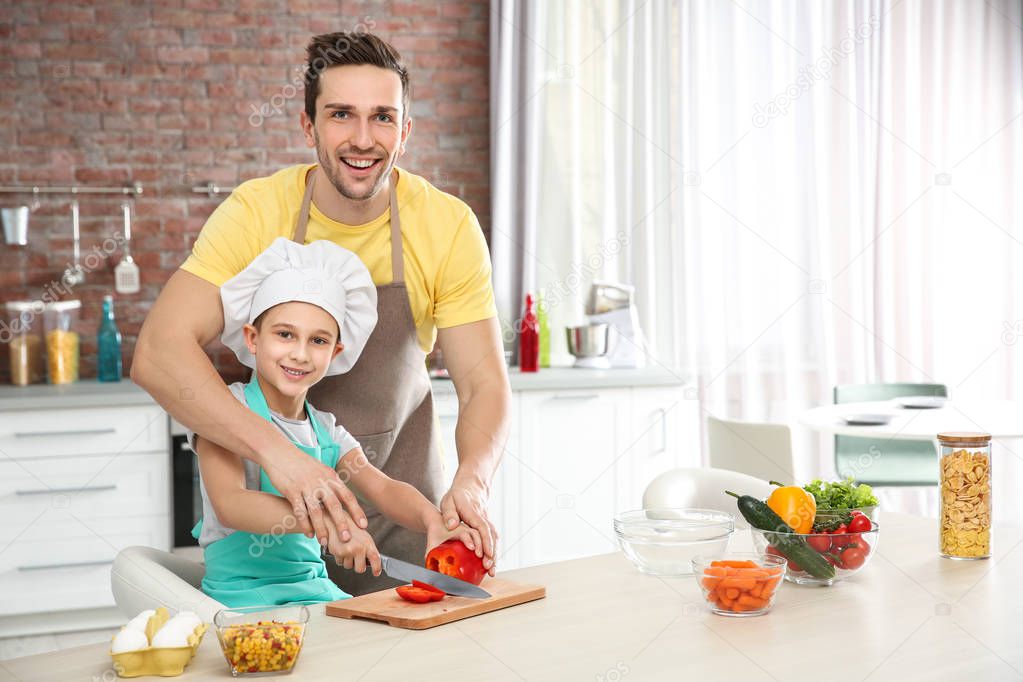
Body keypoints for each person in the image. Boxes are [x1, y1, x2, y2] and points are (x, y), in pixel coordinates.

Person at [132, 31, 511, 595]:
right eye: (341, 115)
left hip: (405, 534)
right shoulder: (256, 211)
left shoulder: (447, 225)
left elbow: (483, 383)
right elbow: (159, 354)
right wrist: (283, 458)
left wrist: (472, 484)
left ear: (405, 131)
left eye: (383, 117)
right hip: (276, 543)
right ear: (308, 126)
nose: (363, 139)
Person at [190, 238, 486, 606]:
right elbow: (231, 504)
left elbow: (384, 489)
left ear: (336, 352)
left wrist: (432, 519)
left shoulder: (326, 430)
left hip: (316, 594)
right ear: (253, 338)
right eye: (285, 334)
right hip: (240, 601)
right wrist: (333, 525)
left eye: (318, 340)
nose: (299, 353)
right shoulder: (227, 410)